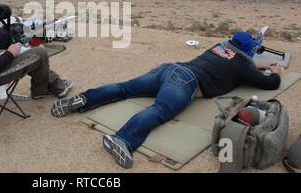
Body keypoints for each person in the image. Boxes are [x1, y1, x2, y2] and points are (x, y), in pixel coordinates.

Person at [51, 31, 284, 169]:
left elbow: (239, 65)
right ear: (250, 51)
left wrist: (256, 66)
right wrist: (276, 72)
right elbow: (268, 83)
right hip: (187, 82)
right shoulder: (243, 65)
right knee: (161, 110)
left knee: (124, 88)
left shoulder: (220, 47)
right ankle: (122, 139)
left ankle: (84, 99)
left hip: (169, 69)